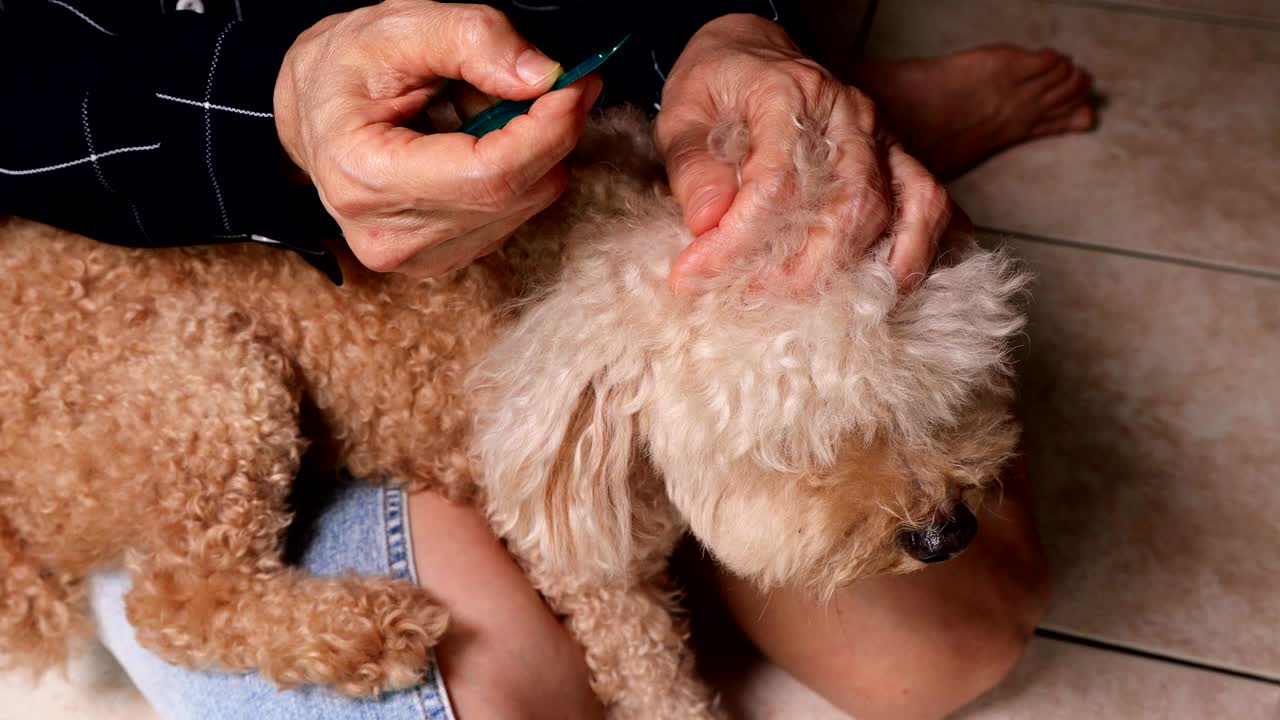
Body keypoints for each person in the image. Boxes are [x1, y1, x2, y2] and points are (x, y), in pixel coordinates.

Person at [0, 1, 1089, 718]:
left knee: (943, 652)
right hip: (110, 251)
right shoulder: (581, 395)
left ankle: (824, 87)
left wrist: (730, 30)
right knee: (521, 687)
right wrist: (267, 113)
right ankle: (211, 598)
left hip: (570, 97)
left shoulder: (607, 321)